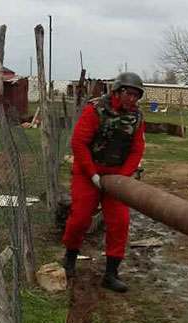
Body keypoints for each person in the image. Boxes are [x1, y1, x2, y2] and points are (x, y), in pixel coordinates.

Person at [62, 72, 146, 293]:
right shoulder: (95, 109)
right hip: (88, 173)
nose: (133, 99)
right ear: (118, 91)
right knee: (80, 218)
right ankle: (70, 256)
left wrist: (123, 176)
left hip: (116, 177)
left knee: (120, 222)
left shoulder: (137, 117)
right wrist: (92, 174)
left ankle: (111, 273)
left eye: (137, 95)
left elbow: (137, 148)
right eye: (129, 94)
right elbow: (78, 143)